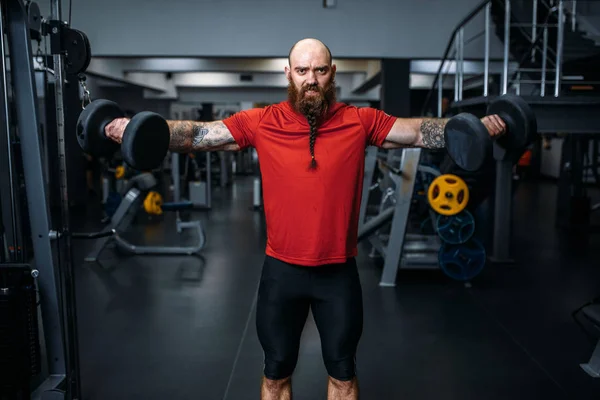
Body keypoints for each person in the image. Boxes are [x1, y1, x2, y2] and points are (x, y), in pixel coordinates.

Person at [104, 38, 506, 400]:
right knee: (276, 375)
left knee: (343, 376)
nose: (310, 79)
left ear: (331, 73)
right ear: (288, 74)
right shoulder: (262, 121)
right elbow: (195, 134)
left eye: (319, 70)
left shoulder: (360, 120)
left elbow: (418, 132)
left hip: (338, 274)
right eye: (302, 70)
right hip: (281, 273)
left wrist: (470, 129)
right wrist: (140, 129)